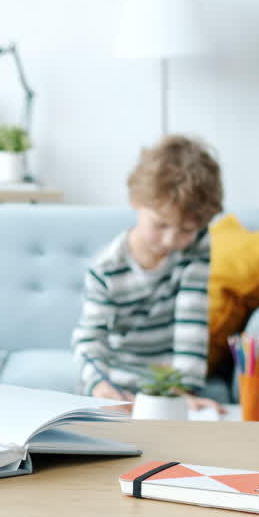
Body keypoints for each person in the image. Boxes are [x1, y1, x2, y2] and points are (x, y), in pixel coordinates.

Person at [72, 135, 225, 414]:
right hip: (120, 385)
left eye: (185, 230)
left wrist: (182, 391)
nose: (170, 240)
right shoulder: (106, 269)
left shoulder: (198, 246)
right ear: (136, 201)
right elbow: (90, 340)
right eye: (161, 225)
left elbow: (192, 320)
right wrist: (100, 386)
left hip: (170, 384)